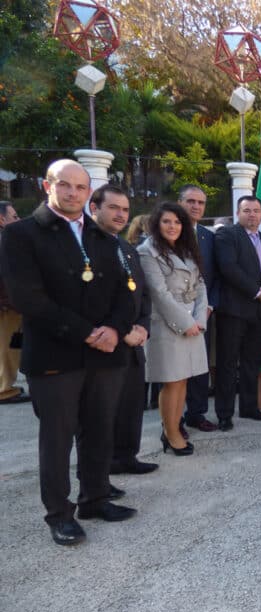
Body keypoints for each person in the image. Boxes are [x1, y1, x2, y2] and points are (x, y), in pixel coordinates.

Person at [0, 159, 137, 546]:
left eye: (81, 187)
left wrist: (115, 329)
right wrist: (90, 333)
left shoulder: (103, 237)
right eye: (66, 185)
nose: (73, 193)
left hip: (105, 353)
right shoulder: (22, 235)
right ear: (48, 185)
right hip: (55, 356)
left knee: (98, 430)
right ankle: (60, 514)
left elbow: (126, 291)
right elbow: (29, 298)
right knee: (57, 438)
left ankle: (95, 497)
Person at [89, 186, 157, 476]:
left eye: (125, 210)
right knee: (104, 413)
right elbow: (95, 299)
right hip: (107, 343)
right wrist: (125, 329)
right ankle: (103, 470)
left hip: (134, 341)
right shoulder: (87, 246)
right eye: (113, 207)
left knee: (132, 404)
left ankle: (128, 455)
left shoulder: (126, 249)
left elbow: (142, 294)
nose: (120, 214)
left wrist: (142, 326)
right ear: (95, 208)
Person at [139, 202, 207, 455]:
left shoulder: (187, 250)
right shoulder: (148, 251)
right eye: (167, 221)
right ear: (157, 223)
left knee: (183, 380)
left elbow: (201, 287)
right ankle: (171, 433)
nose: (172, 226)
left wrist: (200, 319)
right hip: (168, 326)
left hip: (192, 323)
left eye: (177, 222)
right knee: (171, 381)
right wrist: (187, 323)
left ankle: (174, 427)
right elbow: (159, 293)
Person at [214, 195, 261, 430]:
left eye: (256, 211)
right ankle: (224, 413)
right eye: (247, 210)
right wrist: (256, 291)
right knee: (228, 364)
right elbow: (228, 267)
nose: (252, 215)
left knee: (253, 362)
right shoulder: (227, 235)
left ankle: (250, 407)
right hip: (234, 311)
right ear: (238, 213)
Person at [179, 184, 218, 433]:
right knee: (175, 370)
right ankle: (172, 421)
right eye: (190, 201)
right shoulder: (166, 232)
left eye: (200, 203)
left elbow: (215, 275)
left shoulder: (208, 236)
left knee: (199, 366)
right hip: (173, 313)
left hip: (203, 312)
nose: (195, 206)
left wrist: (209, 305)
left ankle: (197, 413)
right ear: (180, 202)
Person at [0, 201, 30, 404]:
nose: (18, 220)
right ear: (2, 219)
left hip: (10, 304)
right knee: (7, 348)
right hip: (7, 306)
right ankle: (4, 389)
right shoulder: (4, 241)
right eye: (15, 216)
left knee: (12, 346)